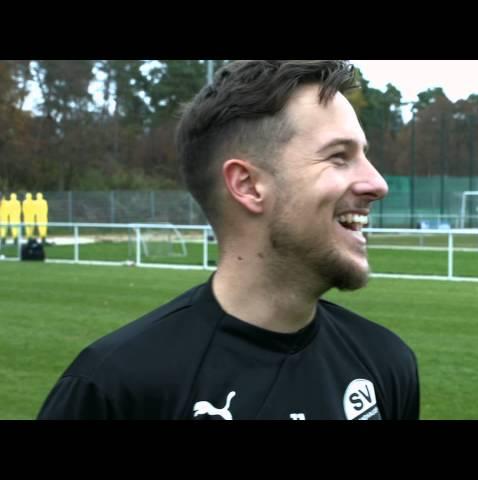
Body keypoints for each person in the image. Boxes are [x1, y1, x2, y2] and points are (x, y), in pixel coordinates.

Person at [37, 60, 420, 420]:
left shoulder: (386, 364)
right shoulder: (114, 389)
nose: (378, 183)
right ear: (248, 185)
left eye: (363, 156)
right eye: (339, 156)